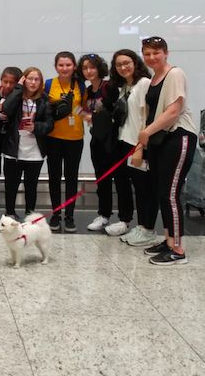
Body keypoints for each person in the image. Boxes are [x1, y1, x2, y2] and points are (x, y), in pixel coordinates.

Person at [138, 36, 198, 265]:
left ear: (166, 53)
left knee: (170, 193)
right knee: (162, 192)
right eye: (147, 53)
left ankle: (178, 250)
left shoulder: (175, 74)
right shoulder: (153, 79)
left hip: (178, 136)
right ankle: (169, 240)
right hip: (160, 139)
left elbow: (174, 111)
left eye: (156, 52)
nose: (151, 57)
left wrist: (147, 132)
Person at [105, 49, 160, 246]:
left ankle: (148, 230)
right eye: (119, 64)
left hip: (138, 144)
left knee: (145, 189)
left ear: (135, 63)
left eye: (126, 63)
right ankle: (141, 227)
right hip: (124, 142)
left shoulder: (144, 83)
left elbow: (147, 116)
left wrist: (140, 147)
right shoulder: (125, 87)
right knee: (136, 187)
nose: (123, 67)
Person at [1, 67, 54, 219]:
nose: (33, 82)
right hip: (14, 149)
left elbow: (49, 124)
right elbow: (6, 109)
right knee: (11, 184)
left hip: (35, 151)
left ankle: (29, 215)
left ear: (40, 82)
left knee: (31, 185)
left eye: (37, 79)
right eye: (30, 79)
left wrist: (35, 127)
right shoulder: (16, 96)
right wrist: (18, 88)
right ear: (24, 80)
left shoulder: (44, 99)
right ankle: (10, 213)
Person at [77, 54, 121, 233]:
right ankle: (104, 215)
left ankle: (124, 219)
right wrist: (85, 115)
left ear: (99, 68)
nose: (89, 71)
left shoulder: (109, 87)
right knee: (102, 179)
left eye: (92, 67)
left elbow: (117, 113)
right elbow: (84, 112)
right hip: (97, 139)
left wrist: (93, 117)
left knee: (120, 180)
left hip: (114, 140)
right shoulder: (88, 90)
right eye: (85, 68)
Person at [45, 51, 86, 233]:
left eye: (68, 65)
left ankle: (69, 216)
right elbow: (43, 109)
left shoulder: (80, 86)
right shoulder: (48, 84)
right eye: (61, 65)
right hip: (53, 138)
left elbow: (82, 109)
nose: (64, 68)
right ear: (56, 67)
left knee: (71, 178)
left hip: (75, 139)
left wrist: (91, 116)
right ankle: (56, 214)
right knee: (54, 178)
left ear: (74, 66)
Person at [0, 66, 23, 223]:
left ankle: (11, 210)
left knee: (11, 174)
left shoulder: (19, 95)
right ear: (0, 80)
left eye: (12, 82)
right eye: (5, 81)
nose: (8, 85)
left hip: (10, 138)